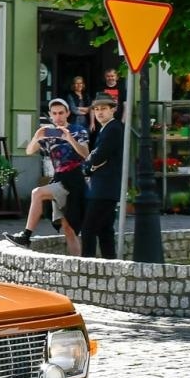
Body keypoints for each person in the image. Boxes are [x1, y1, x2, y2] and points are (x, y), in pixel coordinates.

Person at [2, 99, 89, 253]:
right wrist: (37, 137)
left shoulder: (78, 130)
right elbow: (29, 151)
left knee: (40, 195)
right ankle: (76, 263)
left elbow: (85, 154)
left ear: (68, 113)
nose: (58, 117)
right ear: (50, 115)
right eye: (54, 114)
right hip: (60, 180)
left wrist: (70, 138)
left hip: (75, 180)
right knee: (67, 228)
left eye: (61, 113)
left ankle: (26, 236)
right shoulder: (49, 134)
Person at [80, 93, 125, 259]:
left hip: (105, 187)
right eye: (96, 109)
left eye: (104, 109)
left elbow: (99, 156)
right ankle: (110, 264)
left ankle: (88, 264)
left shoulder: (113, 128)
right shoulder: (106, 128)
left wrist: (88, 165)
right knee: (105, 230)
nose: (99, 112)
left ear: (113, 110)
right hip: (105, 186)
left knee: (88, 229)